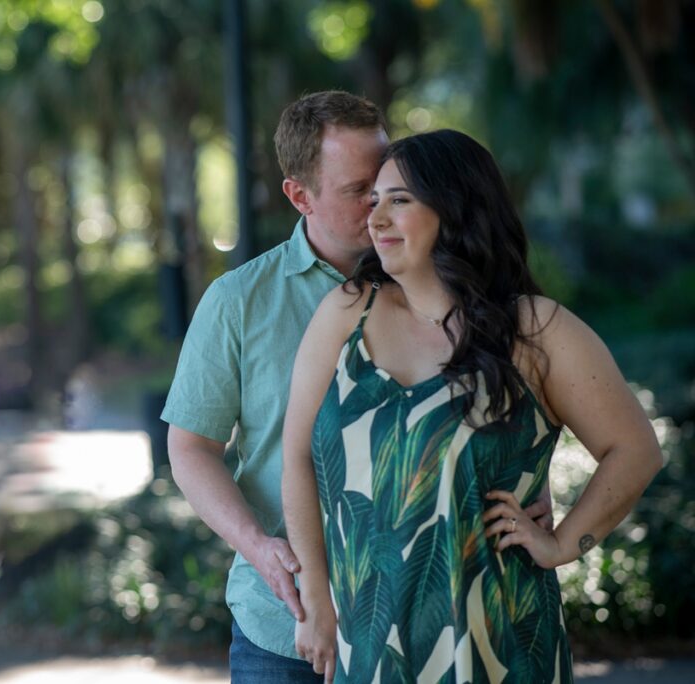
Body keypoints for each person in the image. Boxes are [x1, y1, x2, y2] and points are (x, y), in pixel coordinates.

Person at [161, 92, 553, 682]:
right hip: (286, 626)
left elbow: (497, 404)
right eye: (358, 190)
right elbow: (191, 447)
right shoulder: (239, 301)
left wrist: (532, 485)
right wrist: (258, 547)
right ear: (300, 196)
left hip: (423, 625)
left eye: (391, 184)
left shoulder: (452, 281)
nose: (380, 203)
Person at [281, 129, 662, 683]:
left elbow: (635, 449)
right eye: (374, 200)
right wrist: (315, 598)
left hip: (497, 645)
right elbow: (296, 456)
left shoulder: (533, 329)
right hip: (369, 647)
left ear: (455, 208)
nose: (376, 219)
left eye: (399, 200)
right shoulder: (346, 313)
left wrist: (562, 545)